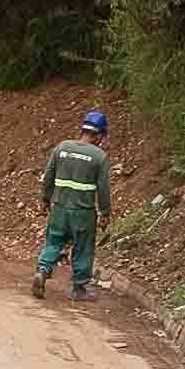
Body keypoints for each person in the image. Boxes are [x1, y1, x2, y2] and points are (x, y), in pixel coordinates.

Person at [34, 108, 113, 299]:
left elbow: (49, 176)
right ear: (99, 135)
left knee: (53, 241)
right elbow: (103, 188)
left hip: (59, 207)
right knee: (83, 248)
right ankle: (78, 289)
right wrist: (105, 213)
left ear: (83, 130)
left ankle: (43, 270)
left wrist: (44, 200)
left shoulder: (61, 148)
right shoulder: (99, 156)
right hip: (83, 212)